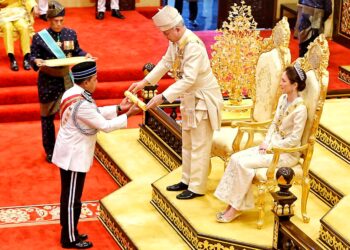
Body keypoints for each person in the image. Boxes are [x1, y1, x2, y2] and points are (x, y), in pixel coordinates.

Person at [128, 6, 223, 200]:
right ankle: (186, 180)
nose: (165, 36)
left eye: (166, 33)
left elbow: (188, 79)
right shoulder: (177, 42)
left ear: (177, 29)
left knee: (199, 144)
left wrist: (162, 97)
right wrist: (144, 82)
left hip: (203, 99)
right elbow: (165, 63)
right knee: (187, 142)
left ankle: (197, 187)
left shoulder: (193, 46)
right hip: (190, 97)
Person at [52, 61, 140, 249]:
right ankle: (69, 238)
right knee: (71, 199)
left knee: (71, 196)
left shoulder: (74, 92)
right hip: (73, 156)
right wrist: (129, 115)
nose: (97, 82)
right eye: (95, 79)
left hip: (69, 150)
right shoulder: (81, 102)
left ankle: (71, 230)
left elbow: (94, 112)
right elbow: (104, 126)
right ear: (86, 82)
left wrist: (118, 108)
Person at [214, 64, 308, 223]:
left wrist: (271, 147)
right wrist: (266, 142)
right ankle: (232, 205)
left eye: (284, 81)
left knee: (244, 165)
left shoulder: (301, 110)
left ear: (295, 85)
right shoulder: (283, 98)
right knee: (236, 158)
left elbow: (294, 140)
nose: (280, 83)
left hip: (285, 154)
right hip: (270, 146)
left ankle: (235, 209)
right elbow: (274, 125)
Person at [30, 0, 92, 163]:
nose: (58, 24)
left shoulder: (70, 34)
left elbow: (77, 50)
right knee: (47, 118)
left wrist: (85, 54)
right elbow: (33, 56)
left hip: (66, 80)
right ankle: (50, 151)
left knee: (71, 115)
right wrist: (36, 61)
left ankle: (70, 147)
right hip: (47, 82)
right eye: (55, 21)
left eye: (61, 21)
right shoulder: (39, 37)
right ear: (49, 20)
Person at [0, 0, 39, 71]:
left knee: (24, 27)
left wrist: (34, 6)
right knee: (7, 27)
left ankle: (26, 57)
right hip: (4, 13)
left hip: (19, 12)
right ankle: (12, 58)